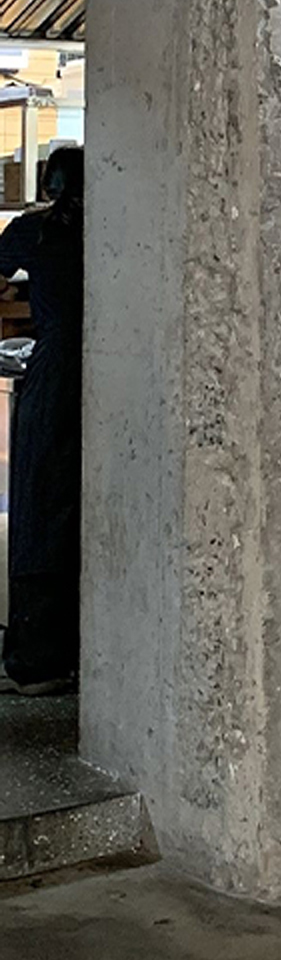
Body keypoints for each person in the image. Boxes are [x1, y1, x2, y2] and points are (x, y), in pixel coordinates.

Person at [0, 145, 83, 696]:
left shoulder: (35, 230)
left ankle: (36, 657)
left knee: (40, 505)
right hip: (115, 371)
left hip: (55, 375)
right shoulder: (114, 229)